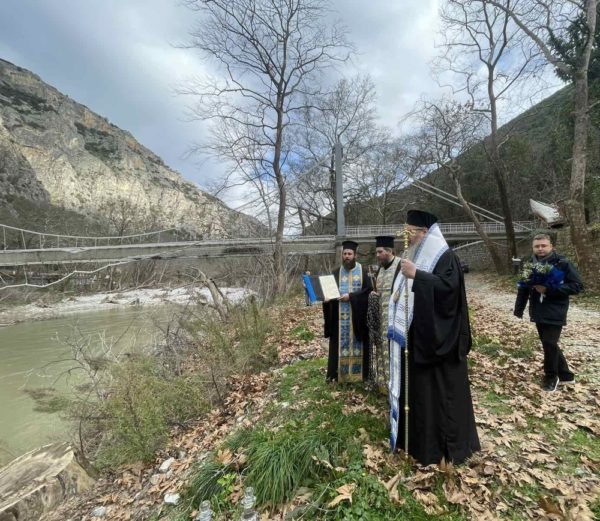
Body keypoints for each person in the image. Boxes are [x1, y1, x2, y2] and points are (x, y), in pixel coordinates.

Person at [387, 210, 480, 465]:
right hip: (416, 337)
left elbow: (449, 292)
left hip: (439, 341)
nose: (407, 238)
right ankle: (416, 442)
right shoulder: (412, 255)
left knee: (439, 396)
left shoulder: (445, 256)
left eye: (411, 232)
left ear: (424, 232)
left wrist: (418, 275)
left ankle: (443, 447)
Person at [513, 233, 583, 392]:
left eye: (543, 245)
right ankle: (566, 375)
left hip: (556, 309)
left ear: (552, 246)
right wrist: (519, 309)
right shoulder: (529, 264)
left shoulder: (562, 263)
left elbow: (577, 286)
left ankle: (551, 376)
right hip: (537, 309)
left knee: (549, 343)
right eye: (537, 246)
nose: (540, 249)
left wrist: (549, 289)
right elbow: (523, 288)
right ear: (533, 248)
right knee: (549, 343)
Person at [323, 240, 372, 383]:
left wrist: (351, 297)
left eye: (349, 254)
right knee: (338, 344)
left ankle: (361, 377)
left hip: (358, 319)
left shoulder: (364, 272)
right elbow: (329, 294)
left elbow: (368, 292)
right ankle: (337, 375)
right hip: (339, 320)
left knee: (360, 343)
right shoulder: (335, 273)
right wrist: (326, 300)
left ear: (355, 255)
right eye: (344, 254)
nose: (347, 257)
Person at [368, 236, 401, 394]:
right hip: (381, 320)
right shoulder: (380, 269)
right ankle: (383, 387)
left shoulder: (400, 266)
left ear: (389, 251)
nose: (377, 255)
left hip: (395, 321)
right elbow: (378, 291)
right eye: (376, 252)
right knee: (381, 350)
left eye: (380, 252)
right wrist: (373, 295)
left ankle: (396, 388)